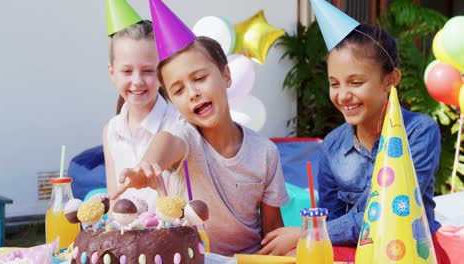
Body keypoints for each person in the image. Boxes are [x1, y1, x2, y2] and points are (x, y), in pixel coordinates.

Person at [259, 24, 450, 263]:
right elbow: (331, 219)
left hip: (412, 254)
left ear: (390, 80)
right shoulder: (332, 146)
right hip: (356, 253)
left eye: (356, 82)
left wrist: (307, 232)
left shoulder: (419, 132)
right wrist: (314, 234)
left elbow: (390, 214)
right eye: (335, 83)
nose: (343, 95)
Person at [112, 35, 290, 256]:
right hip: (193, 259)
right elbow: (166, 142)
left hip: (248, 259)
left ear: (226, 75)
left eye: (199, 78)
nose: (193, 93)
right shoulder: (186, 137)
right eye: (178, 91)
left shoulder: (265, 152)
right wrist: (148, 164)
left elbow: (273, 232)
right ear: (172, 102)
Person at [104, 20, 183, 213]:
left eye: (148, 71)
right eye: (127, 71)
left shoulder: (178, 124)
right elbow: (115, 201)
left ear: (162, 73)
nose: (137, 81)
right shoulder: (111, 130)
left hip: (169, 236)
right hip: (124, 238)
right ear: (112, 73)